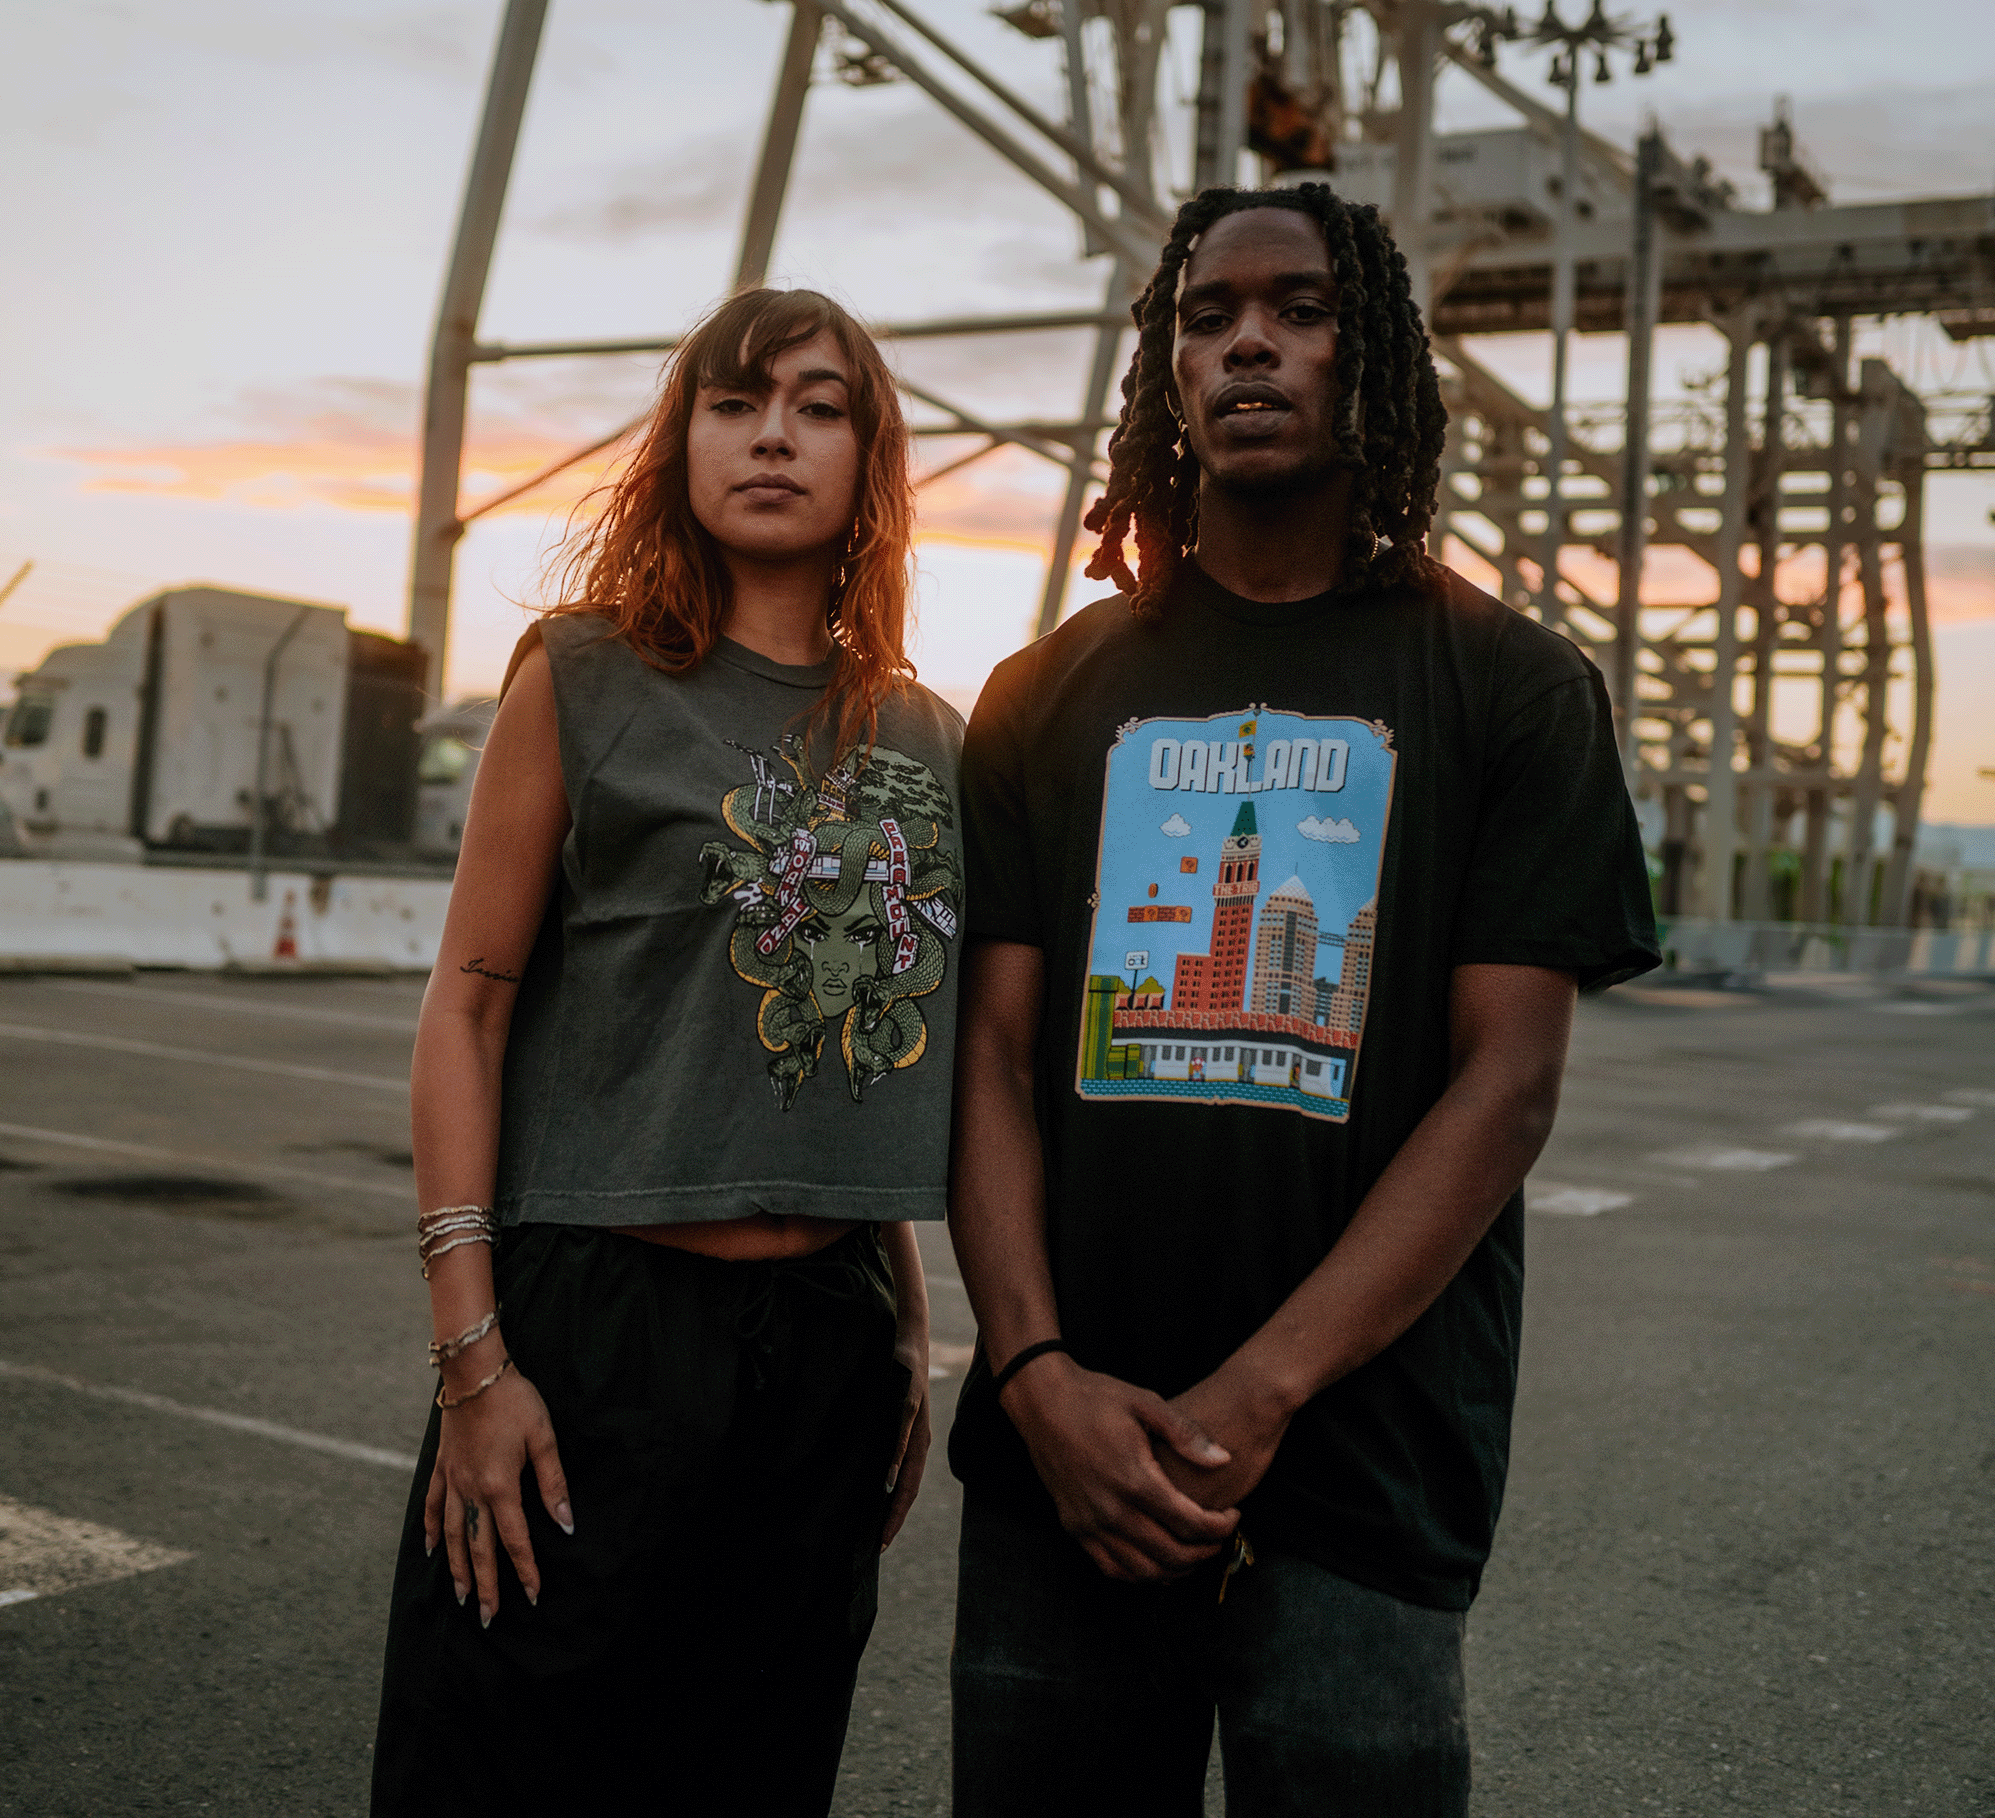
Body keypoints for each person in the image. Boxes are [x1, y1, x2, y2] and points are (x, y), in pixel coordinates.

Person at [946, 184, 1659, 1816]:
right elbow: (987, 1060)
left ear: (1375, 359)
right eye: (1209, 315)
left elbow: (1507, 1090)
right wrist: (1035, 1376)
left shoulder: (1514, 688)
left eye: (1303, 308)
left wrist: (1260, 1395)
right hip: (1068, 1467)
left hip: (1360, 1471)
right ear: (1166, 369)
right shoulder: (1044, 693)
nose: (1249, 339)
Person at [371, 287, 964, 1817]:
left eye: (821, 406)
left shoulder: (923, 733)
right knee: (514, 1769)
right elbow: (468, 1005)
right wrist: (471, 1359)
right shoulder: (582, 677)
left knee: (755, 1775)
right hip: (597, 1322)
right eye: (735, 401)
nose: (774, 435)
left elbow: (849, 1050)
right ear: (681, 440)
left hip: (824, 1335)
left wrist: (900, 1325)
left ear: (869, 457)